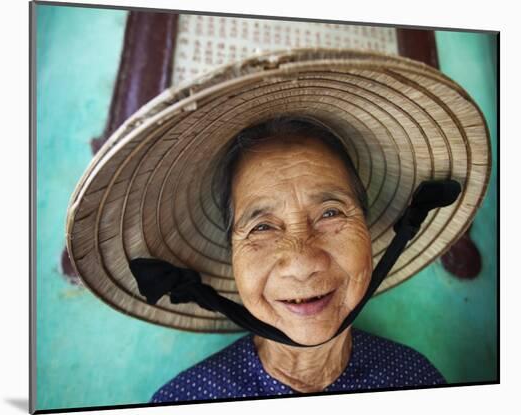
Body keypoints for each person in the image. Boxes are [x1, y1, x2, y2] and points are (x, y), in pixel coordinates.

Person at [65, 49, 491, 404]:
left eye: (330, 213)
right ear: (232, 259)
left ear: (369, 233)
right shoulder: (185, 400)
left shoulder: (417, 381)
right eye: (262, 228)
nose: (302, 262)